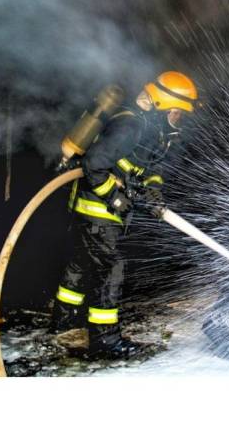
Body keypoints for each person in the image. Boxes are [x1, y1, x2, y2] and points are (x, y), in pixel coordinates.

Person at [51, 71, 198, 359]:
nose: (178, 119)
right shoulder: (131, 125)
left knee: (81, 263)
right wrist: (115, 198)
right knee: (111, 269)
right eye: (177, 113)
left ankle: (64, 322)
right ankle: (105, 341)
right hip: (98, 210)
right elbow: (94, 164)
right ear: (162, 105)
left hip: (91, 209)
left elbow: (148, 169)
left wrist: (153, 193)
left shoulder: (152, 131)